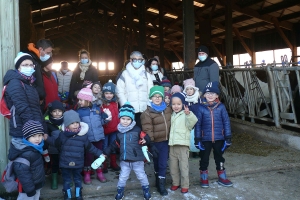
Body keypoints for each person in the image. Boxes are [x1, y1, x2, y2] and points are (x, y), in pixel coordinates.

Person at [44, 110, 103, 200]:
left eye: (77, 122)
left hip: (78, 163)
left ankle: (78, 194)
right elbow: (56, 143)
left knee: (77, 179)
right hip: (65, 163)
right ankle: (68, 195)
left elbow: (90, 147)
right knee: (67, 180)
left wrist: (100, 154)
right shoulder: (62, 135)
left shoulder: (83, 136)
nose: (75, 125)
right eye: (72, 123)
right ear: (67, 125)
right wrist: (47, 138)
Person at [103, 102, 153, 200]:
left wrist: (145, 140)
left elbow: (146, 137)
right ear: (119, 119)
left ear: (132, 119)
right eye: (123, 119)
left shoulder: (137, 130)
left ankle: (146, 190)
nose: (125, 121)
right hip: (125, 161)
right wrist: (105, 152)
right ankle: (120, 191)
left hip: (137, 160)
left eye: (128, 119)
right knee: (122, 177)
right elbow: (114, 144)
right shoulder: (119, 132)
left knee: (141, 176)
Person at [194, 81, 233, 188]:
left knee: (219, 158)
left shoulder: (221, 107)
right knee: (204, 158)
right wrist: (197, 139)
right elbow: (198, 124)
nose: (210, 95)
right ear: (204, 95)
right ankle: (204, 177)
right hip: (205, 139)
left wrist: (228, 137)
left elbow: (226, 122)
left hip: (219, 138)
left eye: (213, 93)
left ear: (217, 95)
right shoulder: (200, 107)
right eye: (208, 93)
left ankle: (222, 176)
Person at [3, 52, 47, 138]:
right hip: (24, 131)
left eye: (31, 65)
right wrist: (33, 131)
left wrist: (43, 129)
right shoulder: (15, 83)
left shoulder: (29, 83)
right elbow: (23, 108)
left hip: (34, 130)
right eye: (25, 65)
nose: (29, 67)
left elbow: (36, 109)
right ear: (18, 67)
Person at [141, 86, 172, 196]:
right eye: (155, 96)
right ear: (151, 98)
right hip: (156, 142)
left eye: (159, 96)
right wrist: (151, 144)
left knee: (163, 163)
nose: (157, 98)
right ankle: (158, 181)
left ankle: (161, 184)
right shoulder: (147, 113)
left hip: (167, 141)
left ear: (163, 98)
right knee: (157, 163)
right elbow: (147, 129)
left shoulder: (168, 109)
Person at [76, 87, 111, 184]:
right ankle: (87, 173)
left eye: (81, 100)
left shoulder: (97, 109)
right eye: (79, 100)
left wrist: (106, 119)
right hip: (88, 139)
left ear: (88, 100)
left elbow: (101, 121)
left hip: (99, 137)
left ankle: (99, 172)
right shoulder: (79, 112)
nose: (79, 102)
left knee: (99, 155)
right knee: (88, 156)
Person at [8, 120, 45, 200]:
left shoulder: (35, 148)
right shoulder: (25, 152)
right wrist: (30, 189)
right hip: (27, 188)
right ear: (27, 137)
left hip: (36, 183)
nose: (37, 139)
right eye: (33, 136)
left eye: (39, 135)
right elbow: (22, 173)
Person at [169, 92, 198, 193]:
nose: (176, 106)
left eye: (178, 104)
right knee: (173, 167)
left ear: (183, 104)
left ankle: (185, 185)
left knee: (183, 167)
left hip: (183, 146)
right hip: (172, 145)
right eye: (173, 104)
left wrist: (189, 114)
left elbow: (193, 122)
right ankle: (175, 183)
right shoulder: (171, 115)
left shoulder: (186, 114)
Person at [116, 51, 153, 128]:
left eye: (139, 59)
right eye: (134, 59)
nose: (137, 61)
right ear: (130, 60)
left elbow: (151, 90)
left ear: (142, 60)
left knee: (144, 129)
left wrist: (149, 103)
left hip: (144, 108)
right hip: (130, 109)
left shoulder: (146, 74)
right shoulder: (125, 74)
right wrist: (125, 104)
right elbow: (119, 90)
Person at [24, 39, 54, 105]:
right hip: (34, 100)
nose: (49, 55)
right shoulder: (30, 60)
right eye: (48, 53)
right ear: (40, 49)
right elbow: (28, 81)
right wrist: (39, 96)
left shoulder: (37, 60)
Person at [44, 100, 65, 190]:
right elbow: (45, 137)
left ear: (62, 112)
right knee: (55, 164)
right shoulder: (47, 123)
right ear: (51, 112)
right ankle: (54, 180)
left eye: (59, 111)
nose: (57, 113)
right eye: (54, 111)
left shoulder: (66, 120)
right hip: (53, 149)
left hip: (65, 148)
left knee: (65, 164)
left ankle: (66, 179)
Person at [101, 80, 120, 172]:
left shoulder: (116, 103)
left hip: (114, 129)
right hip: (105, 130)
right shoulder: (102, 104)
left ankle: (113, 162)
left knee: (113, 146)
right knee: (104, 147)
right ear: (103, 93)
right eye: (106, 93)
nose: (108, 95)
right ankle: (103, 163)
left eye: (110, 93)